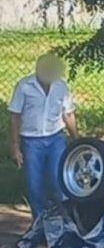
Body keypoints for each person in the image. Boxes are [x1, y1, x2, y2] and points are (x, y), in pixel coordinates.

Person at [8, 53, 79, 219]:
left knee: (59, 179)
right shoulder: (24, 86)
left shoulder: (62, 87)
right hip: (31, 141)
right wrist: (15, 146)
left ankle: (65, 219)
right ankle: (39, 222)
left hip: (56, 139)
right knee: (35, 184)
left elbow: (68, 114)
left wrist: (77, 140)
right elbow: (15, 116)